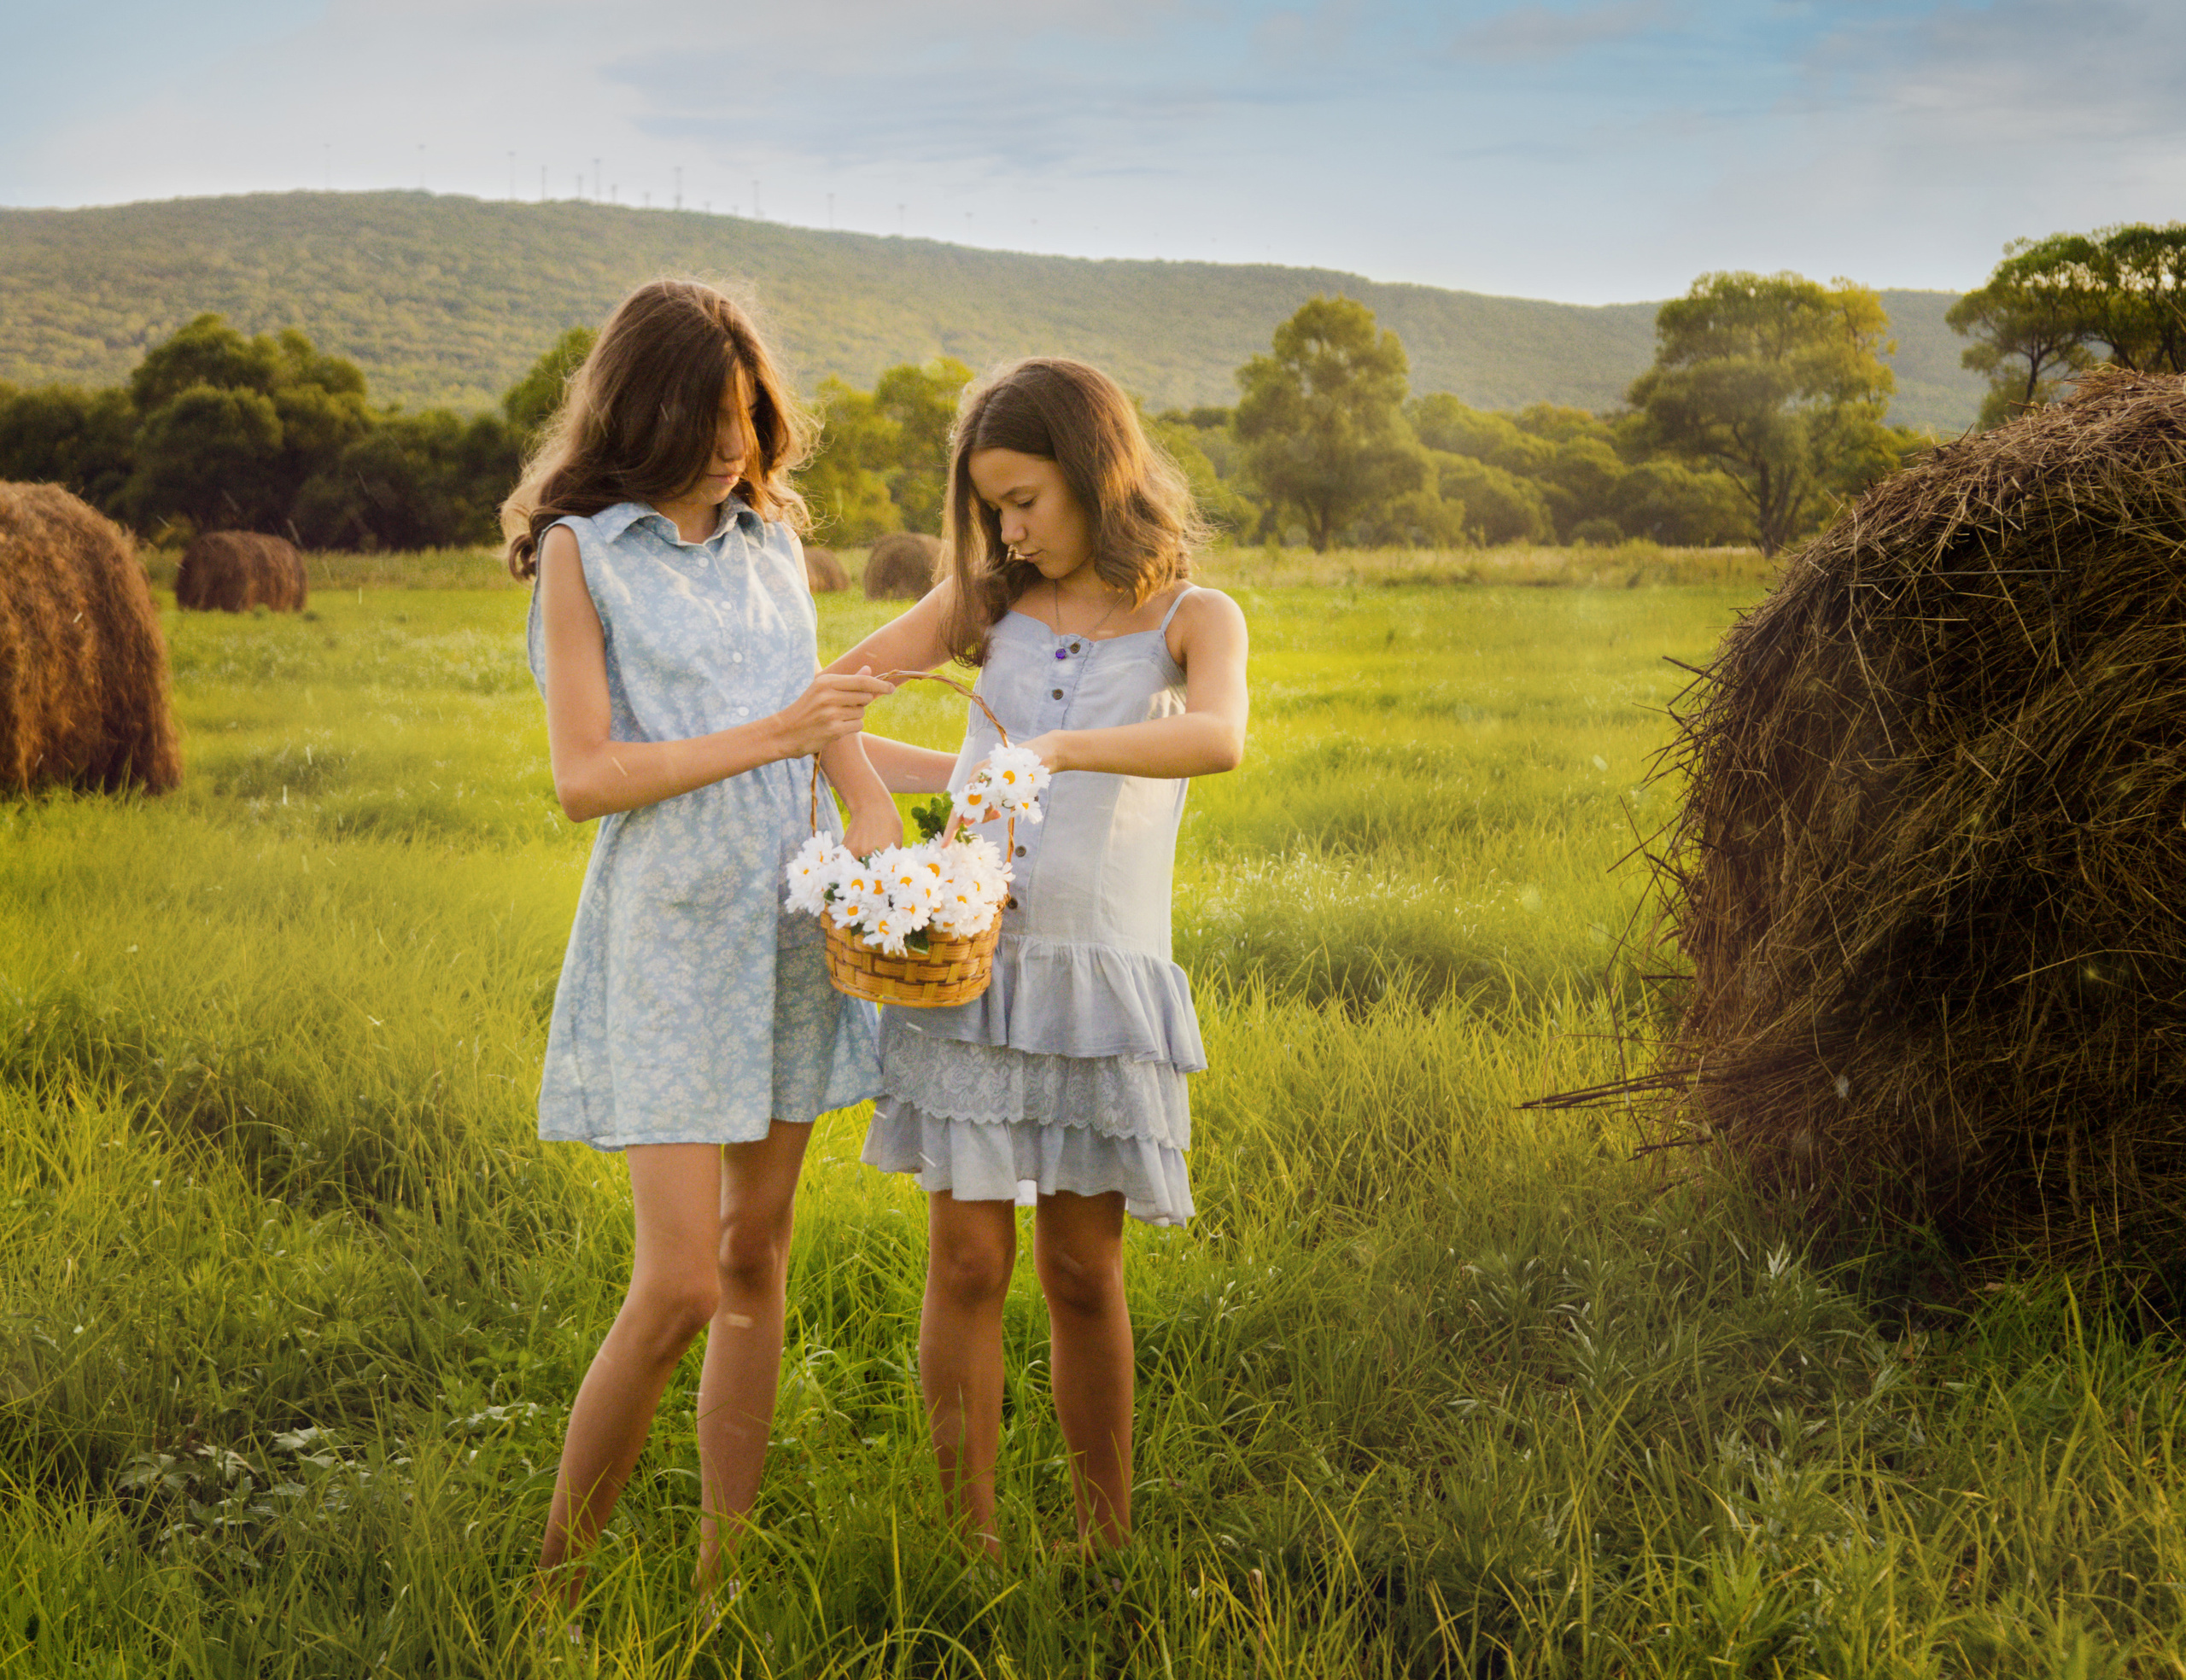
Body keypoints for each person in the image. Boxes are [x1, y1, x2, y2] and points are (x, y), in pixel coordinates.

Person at [503, 278, 897, 1616]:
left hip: (784, 923)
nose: (736, 446)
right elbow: (586, 776)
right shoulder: (583, 554)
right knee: (675, 1281)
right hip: (671, 934)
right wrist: (783, 741)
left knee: (755, 1254)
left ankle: (728, 1566)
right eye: (710, 420)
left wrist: (902, 790)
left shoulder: (772, 541)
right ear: (645, 410)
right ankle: (554, 1588)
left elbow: (821, 717)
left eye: (750, 418)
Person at [821, 357, 1250, 1557]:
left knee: (1079, 1269)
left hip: (1096, 981)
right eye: (993, 507)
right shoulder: (986, 606)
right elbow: (833, 696)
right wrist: (868, 808)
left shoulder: (1192, 618)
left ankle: (1100, 1538)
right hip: (970, 970)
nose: (1010, 528)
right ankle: (972, 1543)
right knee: (965, 1261)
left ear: (1097, 471)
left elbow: (1218, 736)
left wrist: (1058, 749)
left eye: (1028, 500)